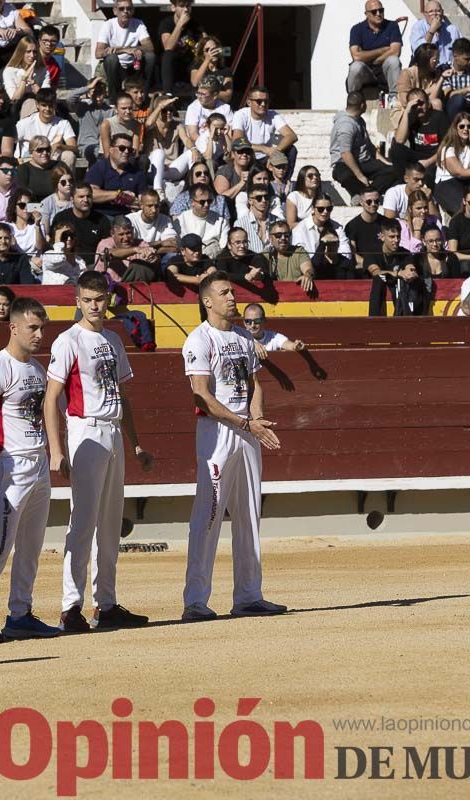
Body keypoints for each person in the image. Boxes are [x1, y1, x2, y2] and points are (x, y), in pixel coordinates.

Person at [44, 270, 152, 632]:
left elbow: (123, 397)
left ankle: (106, 604)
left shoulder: (113, 340)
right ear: (77, 302)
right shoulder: (67, 341)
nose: (94, 306)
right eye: (87, 300)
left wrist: (134, 442)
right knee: (83, 521)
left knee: (108, 524)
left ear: (108, 300)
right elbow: (51, 397)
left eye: (99, 299)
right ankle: (70, 607)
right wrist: (56, 450)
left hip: (113, 432)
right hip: (85, 430)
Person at [181, 271, 286, 621]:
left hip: (246, 432)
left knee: (249, 515)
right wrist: (244, 422)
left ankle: (249, 595)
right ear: (207, 301)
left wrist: (255, 419)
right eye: (224, 292)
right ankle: (195, 601)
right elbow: (202, 394)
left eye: (233, 291)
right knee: (209, 515)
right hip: (218, 434)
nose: (232, 297)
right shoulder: (199, 339)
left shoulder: (242, 337)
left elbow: (256, 384)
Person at [0, 296, 60, 642]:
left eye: (43, 328)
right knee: (0, 544)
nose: (39, 335)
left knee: (31, 544)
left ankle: (20, 613)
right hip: (10, 467)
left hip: (37, 464)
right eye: (33, 328)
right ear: (14, 327)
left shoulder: (36, 369)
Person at [331, 91, 400, 196]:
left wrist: (385, 162)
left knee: (395, 169)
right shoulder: (346, 125)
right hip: (345, 164)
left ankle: (369, 194)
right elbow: (345, 153)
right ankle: (364, 195)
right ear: (362, 105)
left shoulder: (359, 121)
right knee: (346, 176)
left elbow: (369, 146)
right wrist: (360, 176)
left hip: (364, 162)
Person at [230, 85, 298, 174]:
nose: (263, 104)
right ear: (249, 102)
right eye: (259, 101)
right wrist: (264, 149)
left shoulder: (273, 115)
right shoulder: (241, 115)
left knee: (291, 150)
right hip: (248, 156)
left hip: (267, 157)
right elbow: (237, 141)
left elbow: (292, 136)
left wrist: (276, 151)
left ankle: (284, 183)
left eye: (266, 101)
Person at [95, 0, 153, 98]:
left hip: (134, 66)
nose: (125, 11)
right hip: (116, 67)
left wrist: (134, 49)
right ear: (115, 11)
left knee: (150, 57)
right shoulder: (108, 25)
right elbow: (98, 53)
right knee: (111, 59)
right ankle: (113, 100)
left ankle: (144, 95)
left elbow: (150, 47)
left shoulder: (139, 24)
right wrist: (124, 50)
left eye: (129, 8)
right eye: (121, 9)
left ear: (133, 10)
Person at [347, 0, 402, 94]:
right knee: (355, 67)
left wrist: (370, 59)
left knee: (394, 60)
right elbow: (356, 56)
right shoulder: (356, 29)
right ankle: (353, 99)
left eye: (381, 10)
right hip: (365, 71)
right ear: (367, 14)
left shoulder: (392, 26)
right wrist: (382, 50)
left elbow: (395, 51)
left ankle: (394, 97)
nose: (378, 14)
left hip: (384, 69)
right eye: (374, 12)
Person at [87, 132, 145, 217]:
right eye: (122, 148)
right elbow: (90, 194)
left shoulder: (137, 173)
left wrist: (136, 202)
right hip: (103, 217)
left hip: (129, 218)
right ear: (111, 149)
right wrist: (118, 195)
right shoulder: (99, 168)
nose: (126, 152)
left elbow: (143, 199)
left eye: (129, 149)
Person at [158, 0, 202, 94]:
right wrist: (179, 25)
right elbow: (168, 47)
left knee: (200, 58)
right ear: (173, 7)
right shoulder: (166, 23)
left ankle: (199, 94)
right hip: (173, 65)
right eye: (182, 6)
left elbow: (207, 42)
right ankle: (168, 94)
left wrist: (200, 46)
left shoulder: (195, 23)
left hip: (190, 64)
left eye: (188, 6)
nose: (186, 9)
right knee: (168, 55)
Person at [175, 184, 229, 258]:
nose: (206, 205)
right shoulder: (180, 221)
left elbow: (223, 247)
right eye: (202, 202)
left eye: (209, 201)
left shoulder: (221, 221)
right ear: (192, 202)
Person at [53, 183, 112, 251]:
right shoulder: (61, 218)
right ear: (72, 199)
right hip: (66, 260)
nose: (86, 200)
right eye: (81, 197)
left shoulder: (102, 220)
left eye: (88, 196)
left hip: (94, 260)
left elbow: (107, 247)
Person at [241, 302, 306, 359]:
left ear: (264, 321)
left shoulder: (273, 337)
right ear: (244, 323)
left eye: (257, 321)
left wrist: (295, 346)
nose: (252, 325)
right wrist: (252, 344)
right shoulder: (238, 337)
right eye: (248, 321)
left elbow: (287, 344)